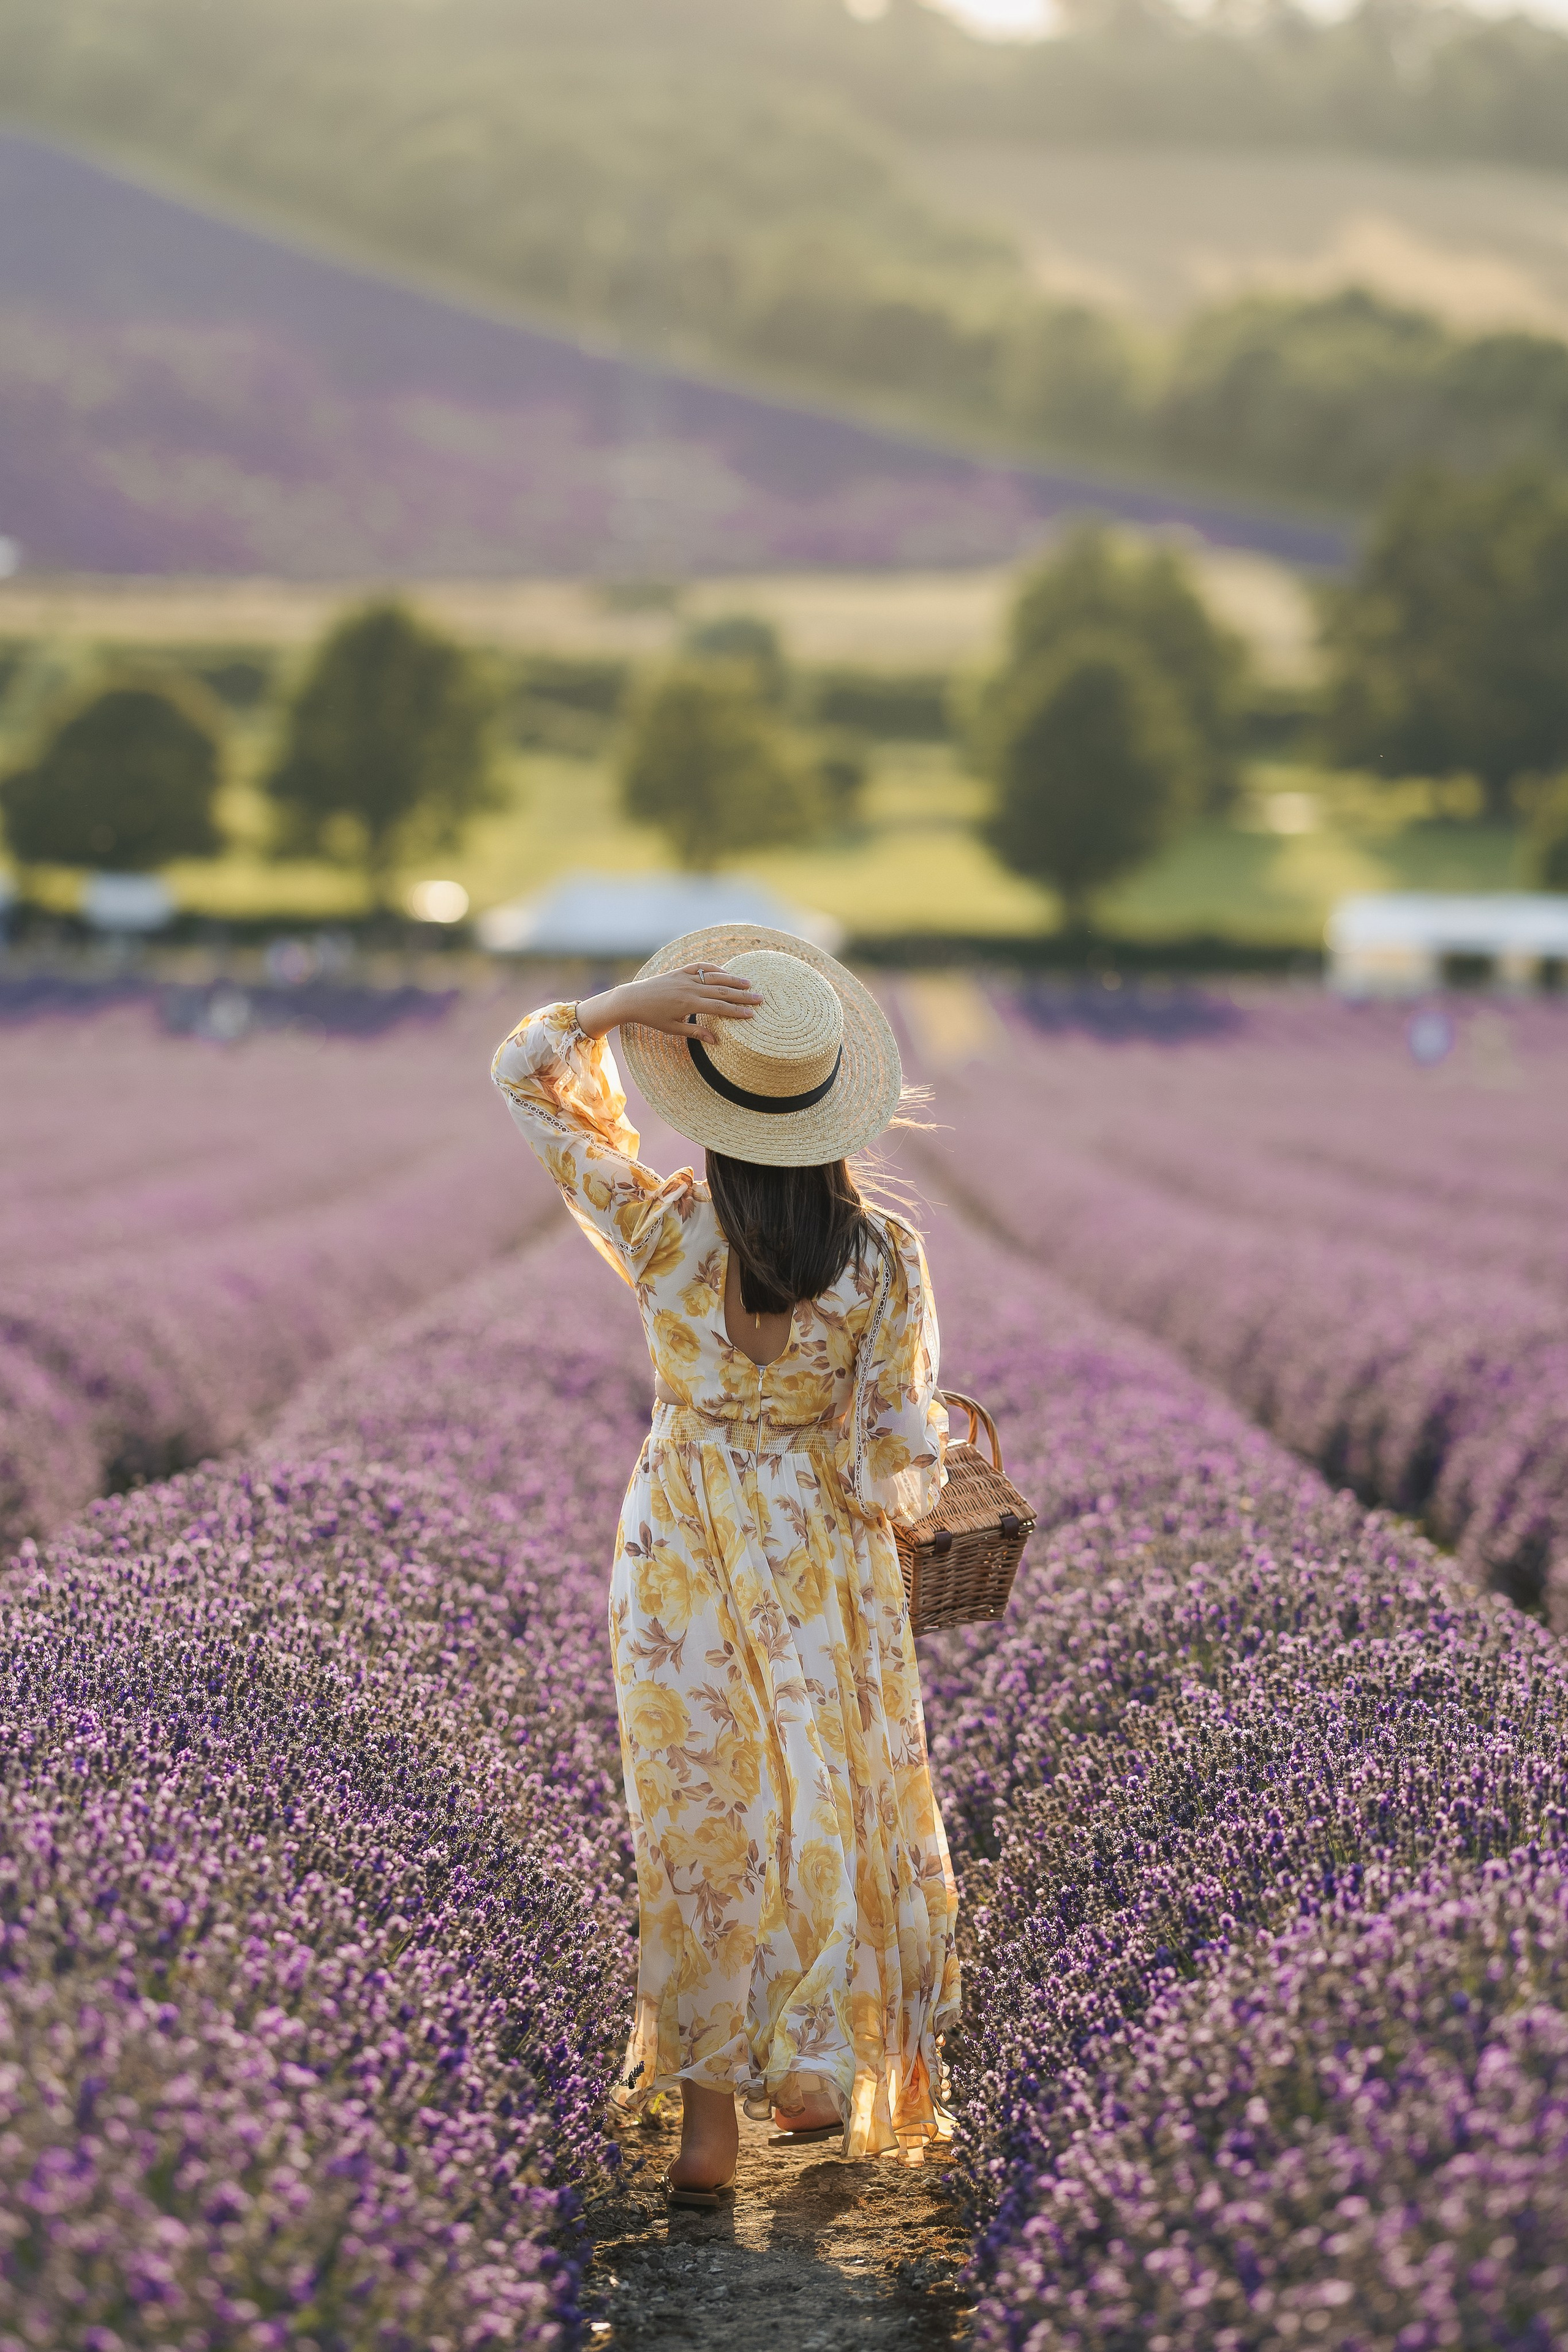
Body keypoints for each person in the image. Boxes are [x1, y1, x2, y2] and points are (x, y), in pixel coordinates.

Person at [491, 923, 959, 2208]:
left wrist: (618, 1005)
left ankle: (706, 2133)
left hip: (678, 1549)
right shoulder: (881, 1260)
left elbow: (521, 1076)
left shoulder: (662, 1231)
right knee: (826, 1796)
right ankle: (813, 2073)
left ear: (713, 1109)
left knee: (697, 1819)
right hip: (818, 1561)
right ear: (833, 1118)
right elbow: (894, 1456)